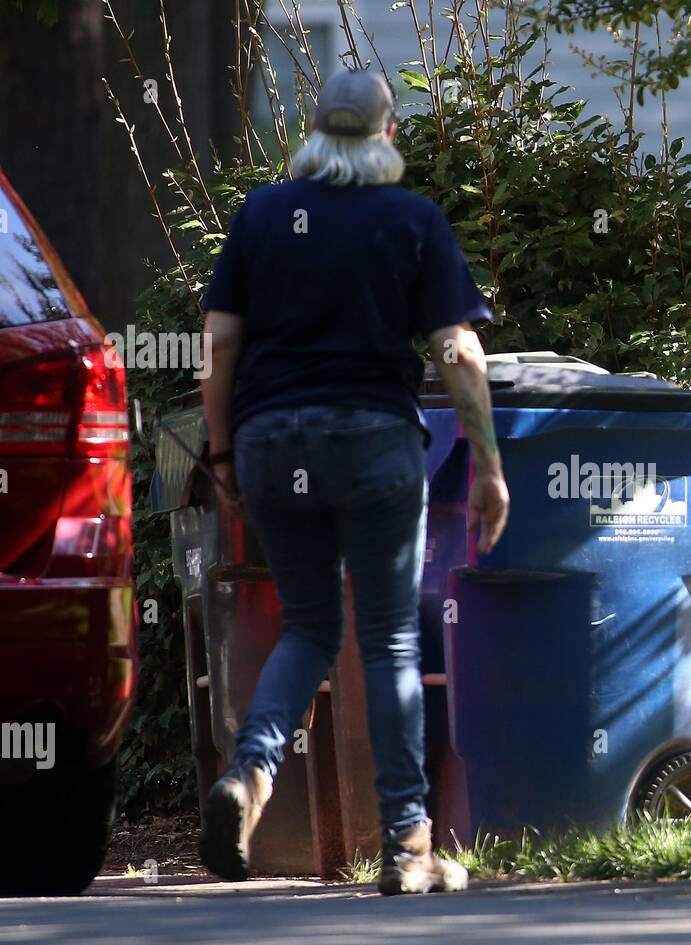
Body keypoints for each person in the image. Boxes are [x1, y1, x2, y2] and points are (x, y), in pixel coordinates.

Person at [197, 68, 509, 894]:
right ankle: (408, 847)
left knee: (306, 628)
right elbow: (458, 353)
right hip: (373, 442)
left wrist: (225, 456)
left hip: (270, 439)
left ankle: (251, 775)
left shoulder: (262, 213)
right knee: (389, 640)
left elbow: (217, 352)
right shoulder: (410, 218)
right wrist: (489, 464)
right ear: (388, 135)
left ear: (313, 135)